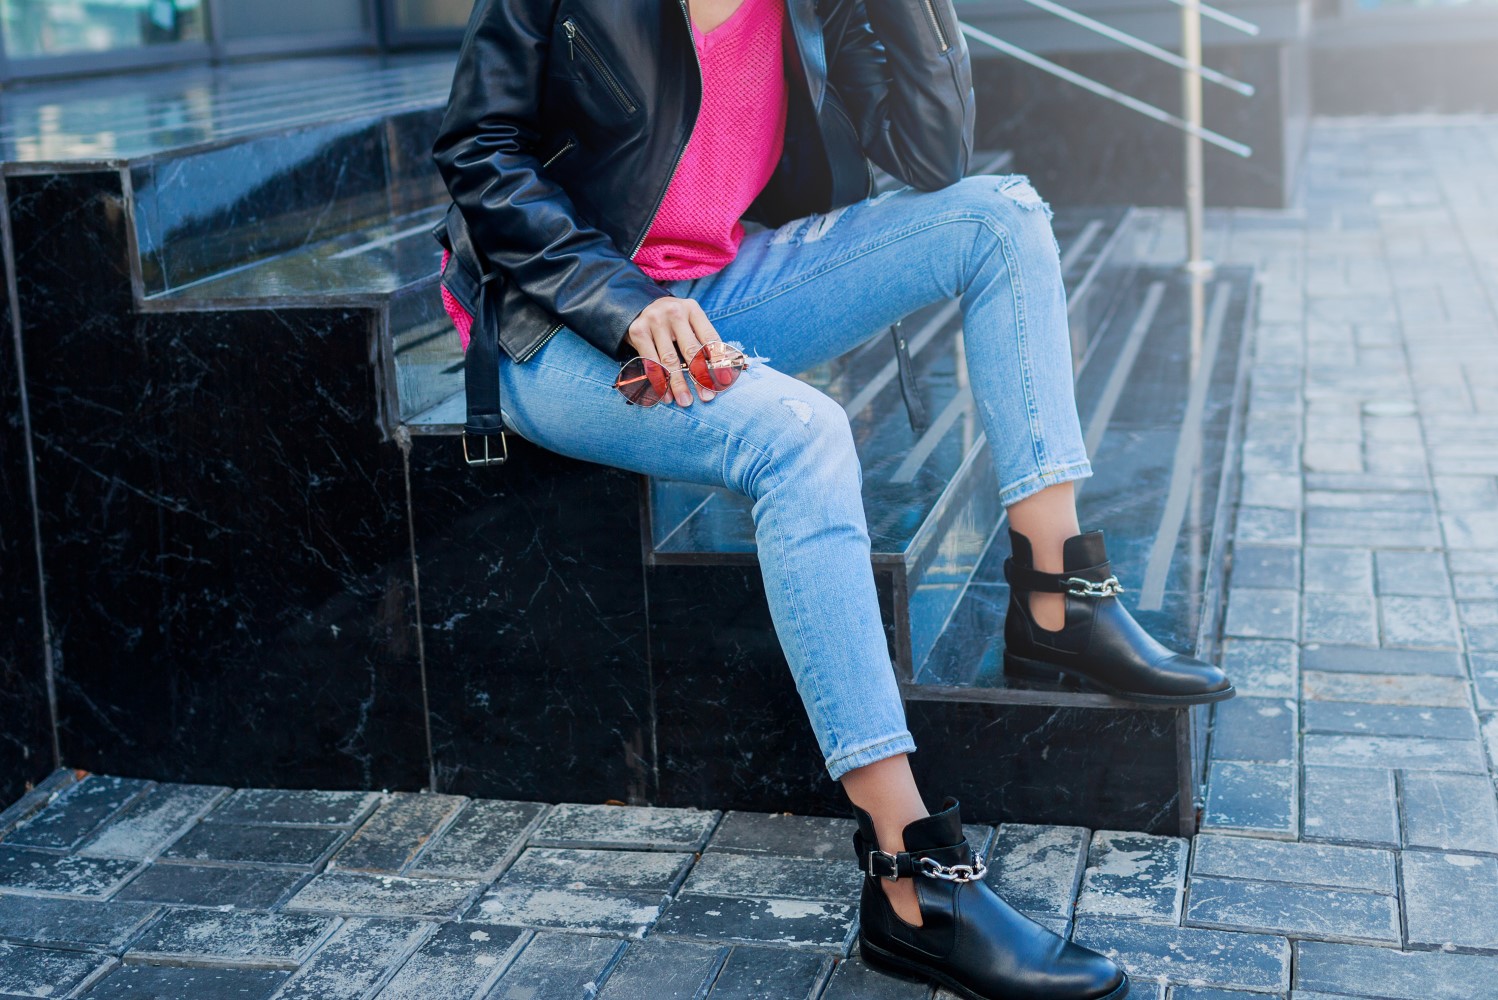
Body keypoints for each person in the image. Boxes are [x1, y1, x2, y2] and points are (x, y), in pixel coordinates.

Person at [431, 1, 1234, 997]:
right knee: (800, 435)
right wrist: (625, 305)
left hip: (718, 285)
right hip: (552, 323)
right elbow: (478, 149)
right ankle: (912, 880)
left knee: (1001, 218)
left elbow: (934, 154)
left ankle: (1054, 597)